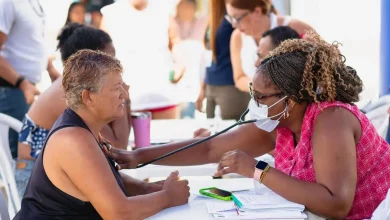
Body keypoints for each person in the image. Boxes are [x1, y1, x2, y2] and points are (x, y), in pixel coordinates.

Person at [105, 32, 390, 219]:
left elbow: (336, 204)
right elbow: (210, 149)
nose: (254, 103)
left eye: (261, 96)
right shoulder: (278, 121)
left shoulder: (331, 119)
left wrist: (257, 170)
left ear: (290, 99)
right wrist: (138, 156)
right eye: (252, 94)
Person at [14, 49, 190, 219]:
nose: (125, 94)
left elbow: (102, 179)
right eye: (116, 88)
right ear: (88, 97)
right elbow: (118, 214)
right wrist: (167, 197)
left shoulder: (85, 128)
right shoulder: (73, 140)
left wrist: (148, 189)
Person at [16, 24, 132, 197]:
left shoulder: (73, 85)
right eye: (109, 59)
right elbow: (119, 145)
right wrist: (126, 98)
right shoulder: (72, 94)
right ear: (92, 60)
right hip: (34, 180)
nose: (115, 66)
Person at [101, 0, 182, 119]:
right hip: (125, 98)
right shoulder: (110, 13)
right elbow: (102, 52)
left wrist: (179, 64)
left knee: (167, 136)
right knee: (129, 137)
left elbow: (175, 41)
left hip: (162, 95)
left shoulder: (163, 10)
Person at [0, 0, 61, 159]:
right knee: (20, 157)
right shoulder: (7, 3)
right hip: (11, 90)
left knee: (29, 153)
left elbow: (33, 40)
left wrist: (50, 68)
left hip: (24, 88)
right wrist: (22, 83)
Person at [227, 0, 313, 93]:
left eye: (237, 18)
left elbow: (324, 60)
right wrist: (260, 88)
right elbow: (239, 78)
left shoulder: (294, 26)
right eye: (230, 18)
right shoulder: (237, 36)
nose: (234, 25)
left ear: (257, 11)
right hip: (259, 101)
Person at [196, 0, 250, 120]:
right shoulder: (215, 16)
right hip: (211, 83)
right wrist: (202, 89)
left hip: (230, 86)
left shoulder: (237, 13)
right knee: (209, 133)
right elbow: (210, 54)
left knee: (232, 133)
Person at [173, 0, 208, 118]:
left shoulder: (202, 22)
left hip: (197, 73)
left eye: (189, 7)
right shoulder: (172, 24)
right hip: (178, 77)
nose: (187, 10)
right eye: (183, 6)